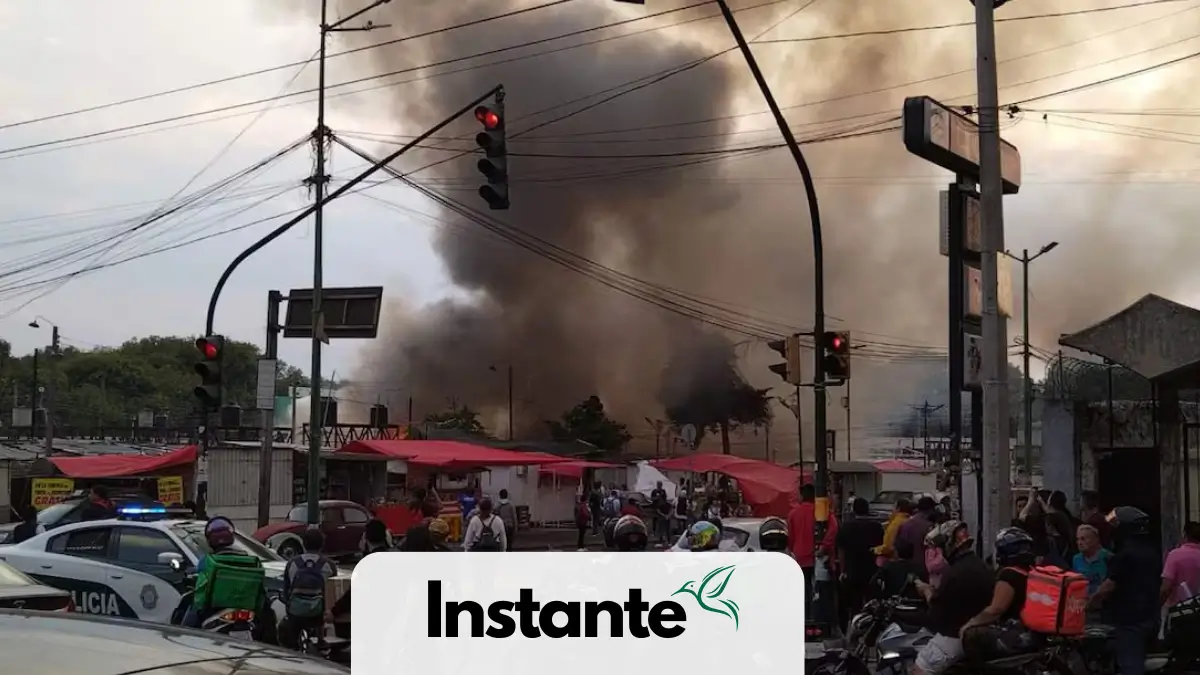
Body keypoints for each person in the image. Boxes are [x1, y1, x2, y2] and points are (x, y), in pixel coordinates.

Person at [911, 520, 994, 675]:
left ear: (949, 544)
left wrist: (926, 590)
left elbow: (937, 607)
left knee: (920, 667)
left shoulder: (954, 572)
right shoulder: (980, 565)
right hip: (976, 633)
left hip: (956, 635)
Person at [1088, 506, 1162, 675]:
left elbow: (1108, 587)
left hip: (1130, 621)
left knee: (1130, 666)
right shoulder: (1152, 552)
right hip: (1150, 616)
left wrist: (1088, 604)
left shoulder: (1124, 555)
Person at [186, 518, 268, 634]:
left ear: (209, 540)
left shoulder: (207, 561)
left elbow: (199, 582)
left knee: (187, 629)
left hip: (212, 610)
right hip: (247, 610)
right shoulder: (249, 560)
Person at [959, 527, 1035, 636]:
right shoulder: (1031, 572)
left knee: (972, 634)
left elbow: (996, 610)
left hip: (1015, 633)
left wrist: (970, 624)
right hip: (1029, 632)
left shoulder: (1009, 574)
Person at [280, 529, 338, 649]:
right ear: (322, 544)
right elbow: (332, 592)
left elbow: (286, 589)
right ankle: (321, 639)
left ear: (304, 543)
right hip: (318, 613)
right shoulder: (329, 565)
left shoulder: (292, 563)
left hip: (296, 612)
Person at [787, 483, 838, 610]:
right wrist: (824, 546)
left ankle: (805, 613)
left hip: (800, 557)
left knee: (803, 589)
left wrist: (792, 550)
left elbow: (790, 537)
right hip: (819, 558)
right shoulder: (822, 512)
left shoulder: (793, 514)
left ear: (801, 496)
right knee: (821, 591)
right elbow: (833, 529)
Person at [837, 497, 884, 629]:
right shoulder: (876, 527)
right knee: (870, 601)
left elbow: (841, 551)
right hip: (872, 569)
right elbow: (881, 547)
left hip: (852, 570)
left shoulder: (846, 527)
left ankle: (854, 628)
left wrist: (842, 571)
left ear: (854, 510)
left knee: (854, 603)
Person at [1161, 521, 1200, 608]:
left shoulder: (1175, 555)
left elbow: (1166, 587)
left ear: (1185, 535)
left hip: (1179, 609)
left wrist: (1160, 604)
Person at [898, 496, 939, 577]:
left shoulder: (906, 524)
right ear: (930, 510)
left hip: (908, 566)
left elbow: (901, 545)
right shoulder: (930, 527)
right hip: (925, 566)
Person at [1072, 524, 1112, 598]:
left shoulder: (1108, 557)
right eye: (1077, 539)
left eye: (1083, 539)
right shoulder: (1076, 559)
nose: (1079, 543)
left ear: (1095, 540)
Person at [875, 498, 914, 565]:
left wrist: (876, 550)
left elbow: (888, 545)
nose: (892, 509)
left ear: (898, 509)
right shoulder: (910, 520)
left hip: (894, 559)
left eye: (894, 506)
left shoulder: (896, 523)